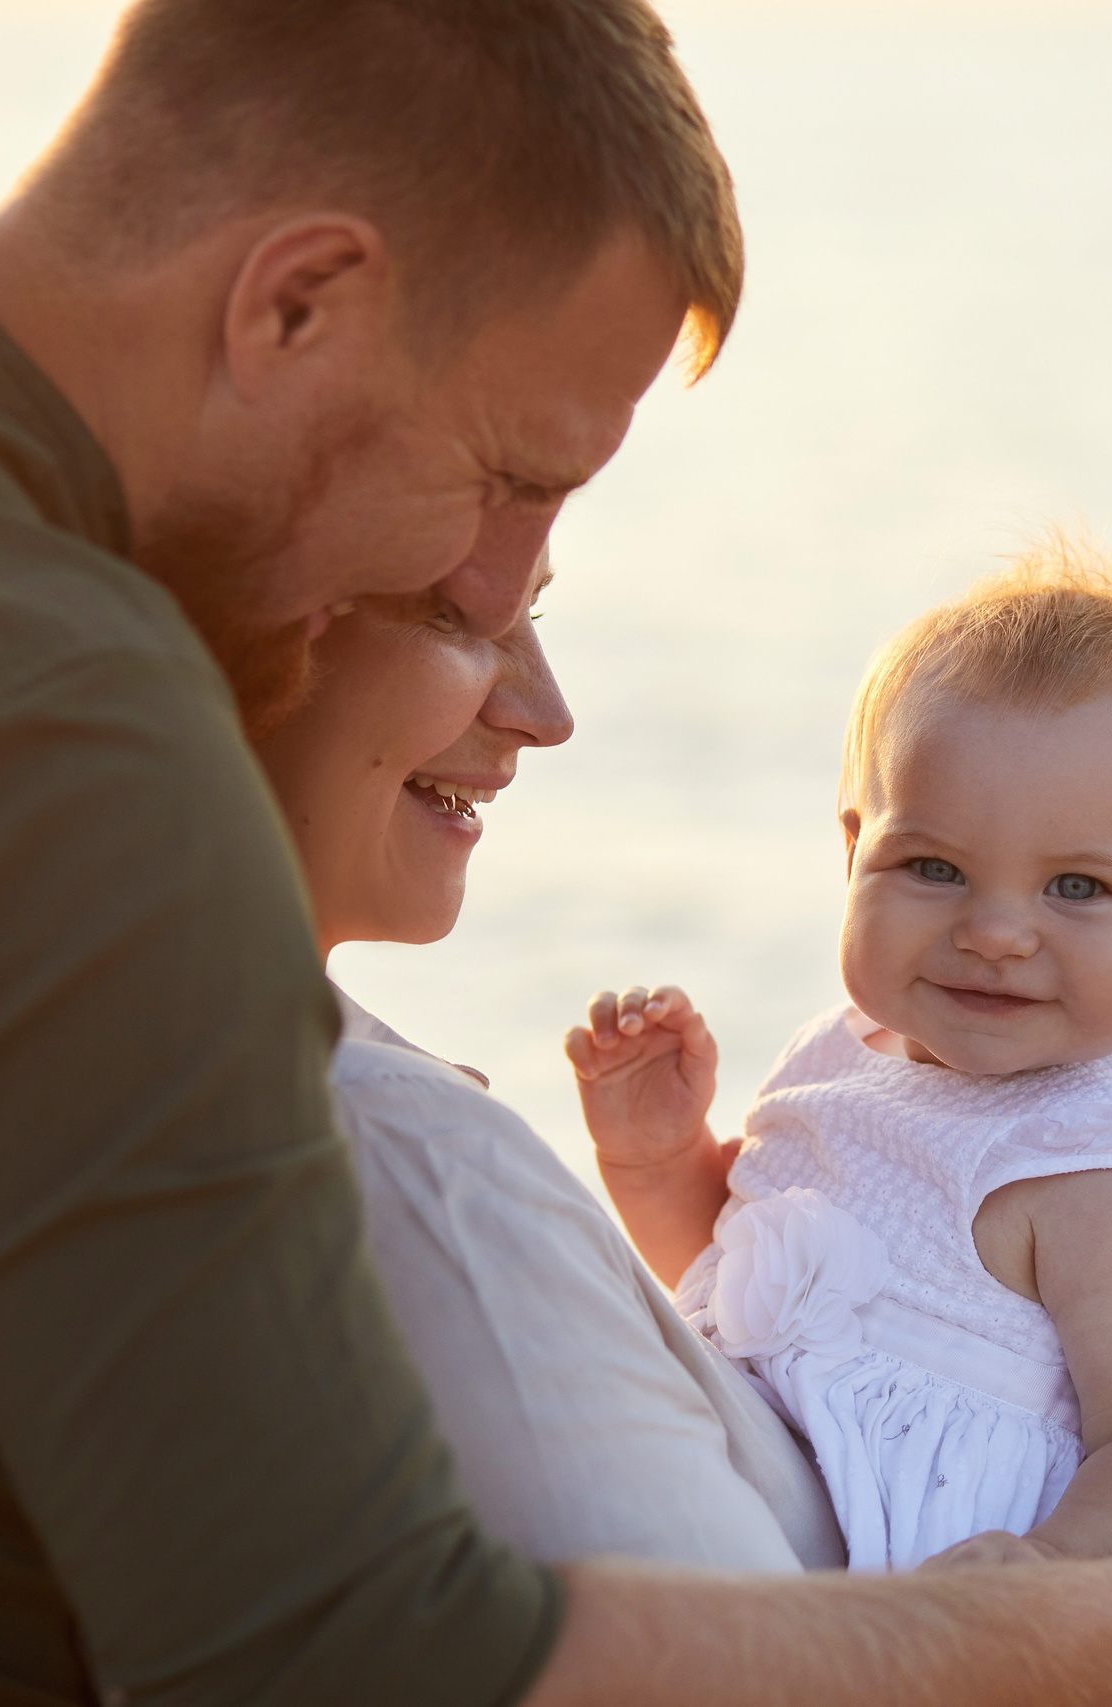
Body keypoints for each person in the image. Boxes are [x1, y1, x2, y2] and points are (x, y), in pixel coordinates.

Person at [0, 1, 1112, 1703]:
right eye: (510, 478)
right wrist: (1060, 1642)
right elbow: (320, 1649)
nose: (507, 600)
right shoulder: (61, 722)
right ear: (297, 302)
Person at [570, 544, 1112, 1575]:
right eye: (934, 868)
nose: (998, 932)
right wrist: (657, 1159)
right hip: (720, 1546)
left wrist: (1045, 1577)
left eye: (1077, 888)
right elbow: (737, 1288)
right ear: (852, 854)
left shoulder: (1106, 1168)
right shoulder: (831, 1058)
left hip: (925, 1611)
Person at [251, 551, 847, 1574]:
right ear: (229, 640)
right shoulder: (402, 1161)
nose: (546, 709)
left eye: (532, 611)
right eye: (456, 615)